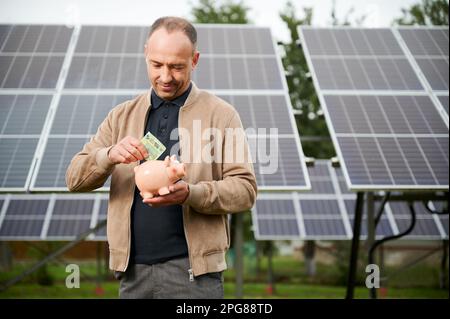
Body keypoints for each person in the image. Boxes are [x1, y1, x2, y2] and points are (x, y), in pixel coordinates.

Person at [65, 16, 257, 299]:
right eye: (157, 65)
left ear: (195, 60)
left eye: (177, 67)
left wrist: (190, 193)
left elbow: (245, 190)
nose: (165, 77)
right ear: (145, 54)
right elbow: (74, 178)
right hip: (132, 274)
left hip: (194, 276)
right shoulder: (121, 116)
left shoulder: (222, 115)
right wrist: (108, 156)